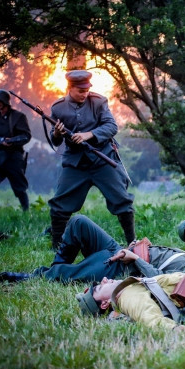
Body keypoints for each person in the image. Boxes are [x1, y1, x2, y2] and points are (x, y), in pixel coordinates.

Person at [0, 214, 185, 284]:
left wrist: (134, 257)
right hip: (124, 253)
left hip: (123, 267)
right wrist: (138, 248)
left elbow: (159, 280)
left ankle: (5, 277)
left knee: (64, 276)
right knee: (79, 222)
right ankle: (58, 269)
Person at [48, 70, 135, 249]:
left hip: (102, 158)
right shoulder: (58, 108)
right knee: (59, 204)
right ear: (70, 88)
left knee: (122, 201)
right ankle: (56, 246)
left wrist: (89, 135)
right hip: (75, 162)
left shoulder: (98, 101)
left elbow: (111, 126)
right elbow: (55, 141)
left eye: (87, 90)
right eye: (81, 91)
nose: (85, 94)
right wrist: (56, 133)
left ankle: (132, 242)